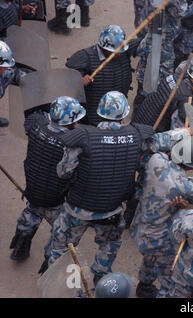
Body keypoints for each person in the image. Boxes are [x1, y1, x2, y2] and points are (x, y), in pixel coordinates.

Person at [47, 91, 173, 285]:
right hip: (111, 210)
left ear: (99, 113)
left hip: (78, 208)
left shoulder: (83, 137)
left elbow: (63, 173)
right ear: (124, 115)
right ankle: (101, 274)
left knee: (61, 246)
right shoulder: (136, 136)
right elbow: (164, 140)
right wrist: (189, 132)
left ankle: (56, 282)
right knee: (110, 243)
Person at [130, 135, 193, 298]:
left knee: (149, 259)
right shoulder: (184, 186)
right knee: (167, 273)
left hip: (141, 226)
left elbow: (156, 142)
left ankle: (144, 285)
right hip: (160, 237)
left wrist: (185, 132)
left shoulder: (156, 160)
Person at [9, 97, 86, 266]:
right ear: (72, 122)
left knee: (32, 212)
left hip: (32, 189)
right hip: (55, 198)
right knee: (61, 231)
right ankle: (50, 263)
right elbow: (68, 173)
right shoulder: (72, 144)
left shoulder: (36, 125)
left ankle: (20, 246)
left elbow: (32, 116)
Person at [134, 0, 193, 102]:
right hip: (161, 39)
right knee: (155, 83)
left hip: (158, 34)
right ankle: (144, 105)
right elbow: (181, 10)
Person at [66, 24, 138, 126]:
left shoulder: (124, 50)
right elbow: (66, 81)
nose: (118, 54)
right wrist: (79, 81)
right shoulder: (85, 57)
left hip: (118, 115)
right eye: (114, 51)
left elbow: (143, 43)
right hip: (94, 117)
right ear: (103, 47)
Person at [132, 61, 193, 132]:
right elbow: (177, 134)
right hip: (149, 135)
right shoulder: (187, 101)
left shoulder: (173, 77)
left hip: (137, 122)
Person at [0, 40, 24, 127]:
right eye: (4, 66)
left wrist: (27, 78)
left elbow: (11, 73)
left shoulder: (3, 72)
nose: (7, 67)